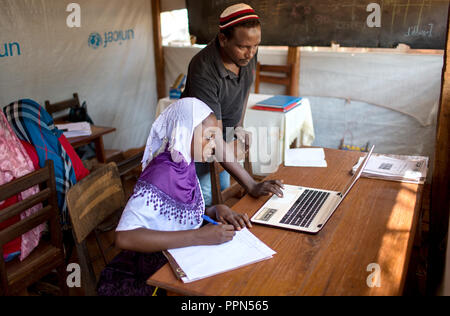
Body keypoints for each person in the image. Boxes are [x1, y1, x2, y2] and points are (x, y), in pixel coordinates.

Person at [97, 98, 252, 296]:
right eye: (208, 137)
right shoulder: (162, 174)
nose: (213, 145)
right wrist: (197, 236)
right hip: (145, 272)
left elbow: (173, 215)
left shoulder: (185, 165)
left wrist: (215, 210)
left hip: (176, 255)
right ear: (184, 133)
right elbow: (124, 237)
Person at [181, 3, 284, 206]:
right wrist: (251, 184)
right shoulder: (203, 68)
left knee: (222, 189)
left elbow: (243, 91)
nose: (251, 53)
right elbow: (212, 135)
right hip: (197, 145)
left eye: (256, 45)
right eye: (244, 47)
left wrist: (238, 125)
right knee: (206, 202)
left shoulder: (247, 55)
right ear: (223, 39)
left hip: (222, 138)